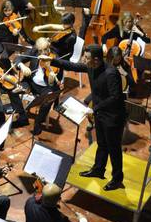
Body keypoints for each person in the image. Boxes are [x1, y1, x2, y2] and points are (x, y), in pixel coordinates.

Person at [54, 45, 126, 190]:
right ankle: (98, 169)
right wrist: (52, 60)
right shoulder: (91, 67)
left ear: (96, 59)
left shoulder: (111, 73)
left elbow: (115, 97)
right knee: (102, 144)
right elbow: (72, 66)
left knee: (114, 149)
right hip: (99, 113)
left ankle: (117, 179)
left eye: (86, 58)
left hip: (113, 117)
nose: (83, 60)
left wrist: (95, 108)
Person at [16, 37, 62, 136]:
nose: (43, 53)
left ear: (49, 47)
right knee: (14, 90)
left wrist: (51, 80)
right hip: (31, 82)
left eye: (45, 50)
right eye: (40, 50)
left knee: (47, 101)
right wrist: (22, 66)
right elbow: (18, 58)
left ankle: (38, 123)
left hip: (46, 87)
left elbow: (58, 80)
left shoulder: (56, 58)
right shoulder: (34, 51)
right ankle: (22, 117)